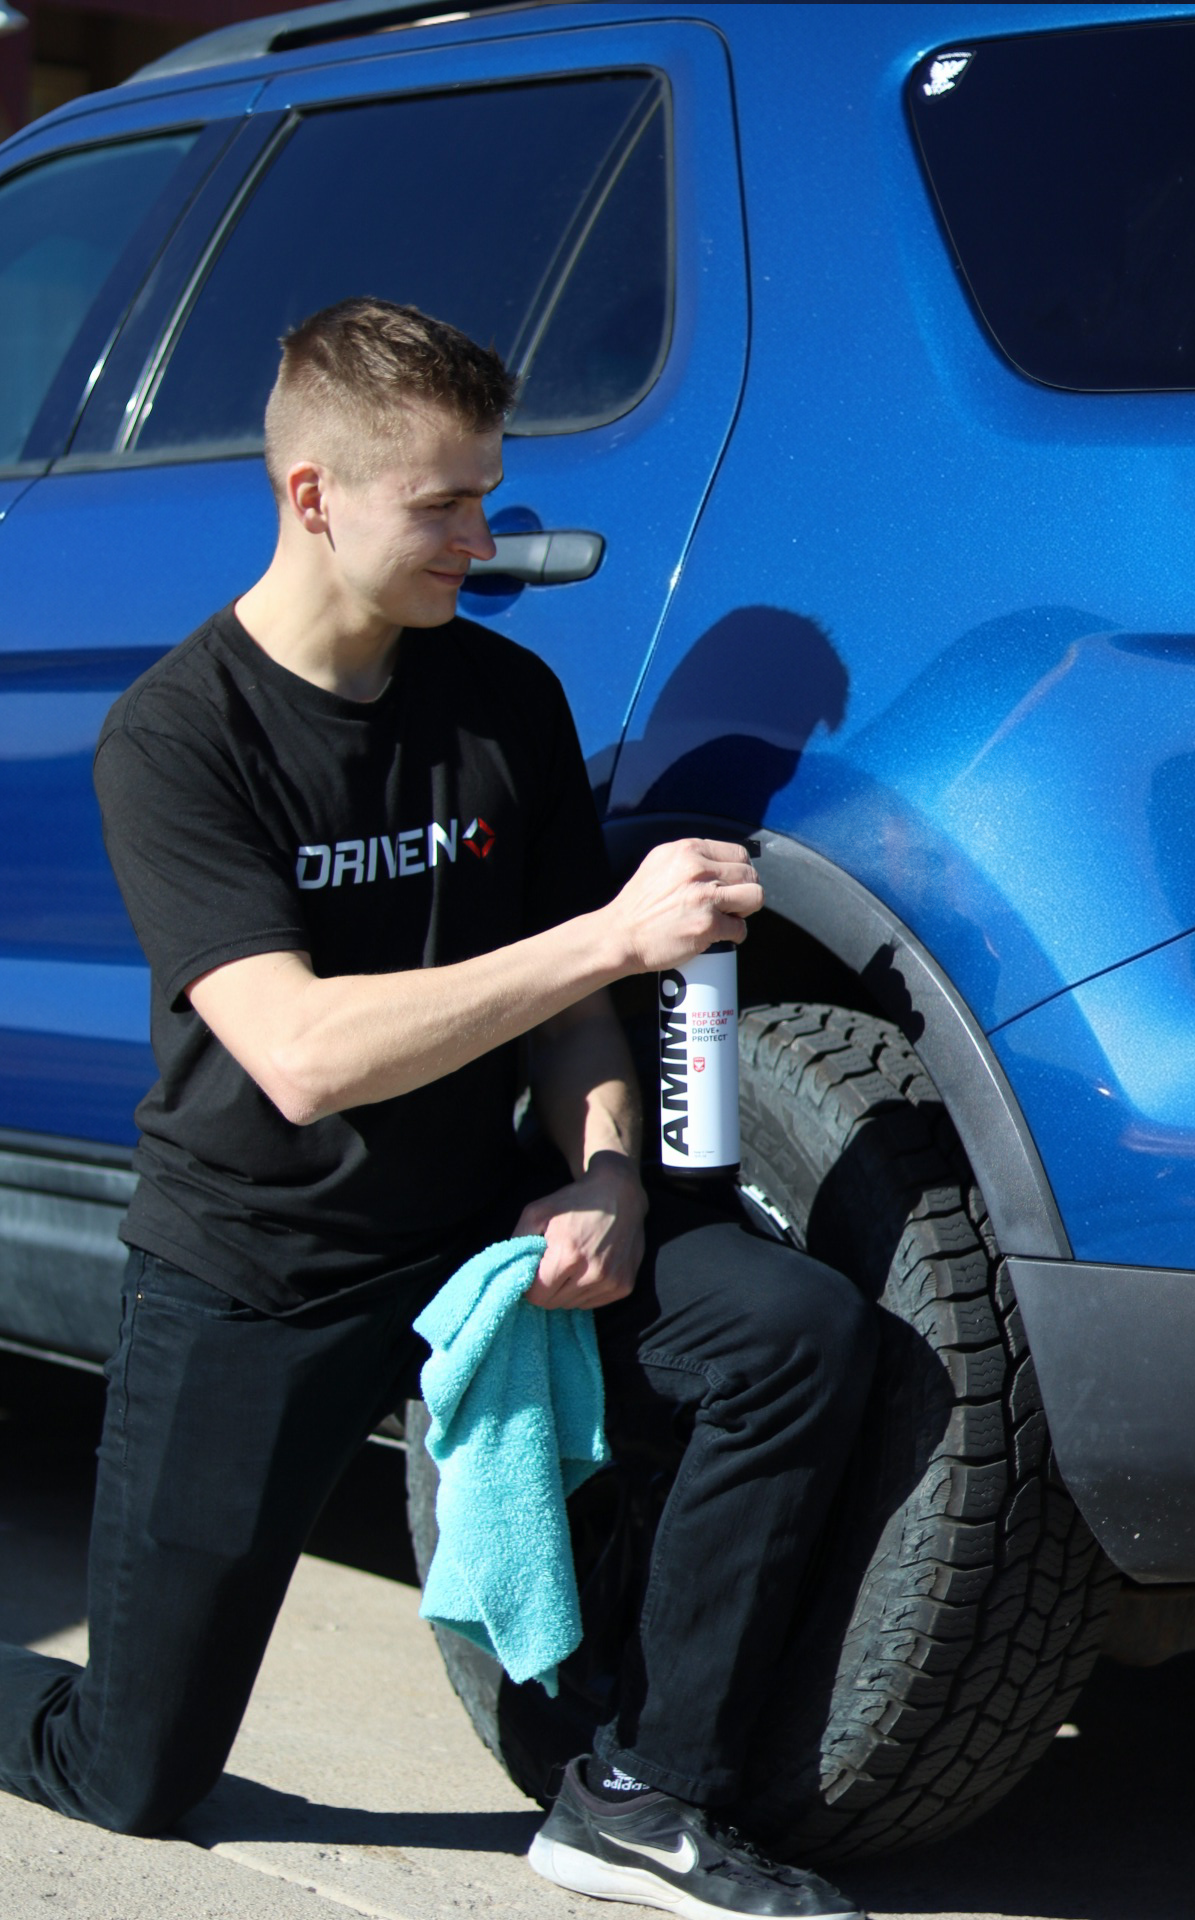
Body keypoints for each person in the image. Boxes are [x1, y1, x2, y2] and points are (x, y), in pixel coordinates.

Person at [0, 298, 878, 1920]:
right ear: (314, 493)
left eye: (489, 491)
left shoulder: (499, 703)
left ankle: (637, 1795)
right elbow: (306, 1057)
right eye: (445, 503)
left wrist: (610, 1172)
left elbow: (572, 1017)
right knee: (131, 1774)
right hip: (257, 1267)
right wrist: (614, 929)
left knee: (791, 1331)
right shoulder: (178, 737)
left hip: (484, 1223)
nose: (485, 536)